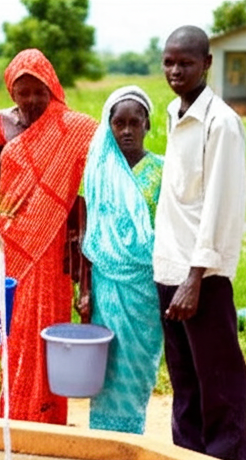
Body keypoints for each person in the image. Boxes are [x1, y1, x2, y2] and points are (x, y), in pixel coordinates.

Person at [0, 48, 97, 424]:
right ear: (11, 90)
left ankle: (47, 421)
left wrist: (79, 245)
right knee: (13, 333)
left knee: (48, 332)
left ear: (52, 89)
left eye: (39, 91)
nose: (31, 100)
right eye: (23, 92)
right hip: (10, 243)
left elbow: (83, 192)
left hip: (52, 243)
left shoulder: (72, 128)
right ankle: (14, 416)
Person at [154, 26, 246, 460]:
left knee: (219, 385)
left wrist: (195, 278)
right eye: (169, 61)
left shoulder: (221, 123)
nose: (176, 70)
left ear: (207, 64)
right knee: (185, 385)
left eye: (186, 62)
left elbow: (220, 207)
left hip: (202, 280)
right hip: (168, 271)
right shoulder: (174, 113)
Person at [80, 85, 164, 434]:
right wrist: (84, 289)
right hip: (107, 283)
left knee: (137, 365)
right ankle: (105, 435)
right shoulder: (98, 172)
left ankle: (133, 434)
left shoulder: (163, 170)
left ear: (147, 125)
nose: (127, 130)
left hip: (146, 285)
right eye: (119, 123)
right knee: (109, 363)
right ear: (109, 125)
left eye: (135, 122)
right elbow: (87, 234)